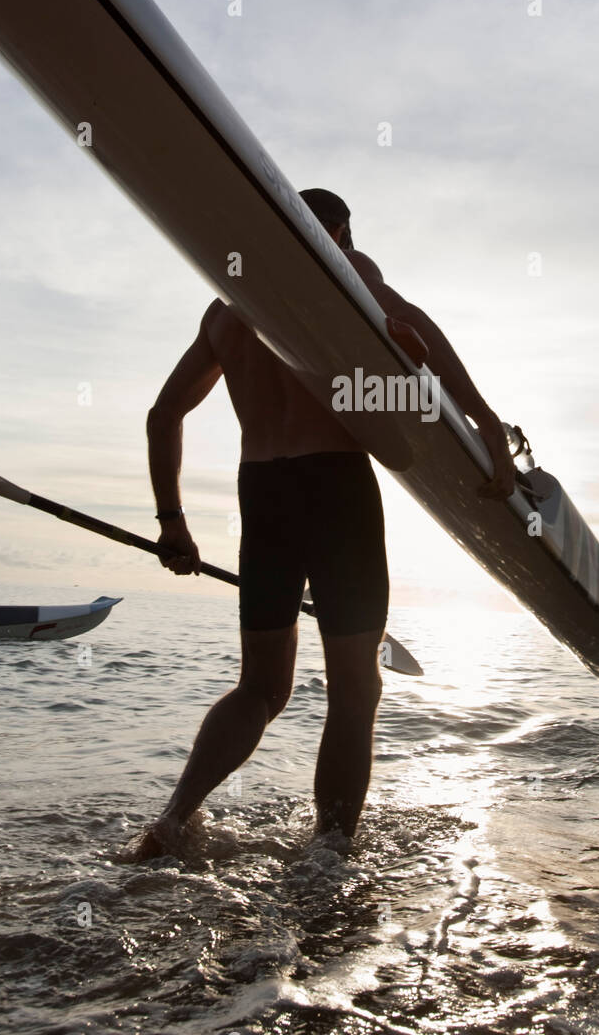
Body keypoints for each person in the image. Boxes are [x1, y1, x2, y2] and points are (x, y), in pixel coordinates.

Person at [131, 189, 515, 858]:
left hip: (265, 493)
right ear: (334, 231)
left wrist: (173, 521)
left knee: (260, 688)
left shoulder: (227, 307)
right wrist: (484, 422)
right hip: (337, 486)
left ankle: (171, 822)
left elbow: (164, 414)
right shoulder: (350, 274)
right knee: (355, 687)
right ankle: (329, 854)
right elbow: (417, 326)